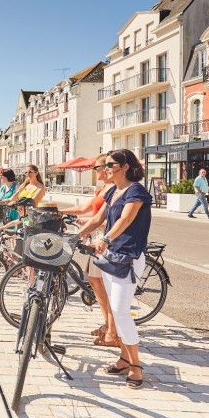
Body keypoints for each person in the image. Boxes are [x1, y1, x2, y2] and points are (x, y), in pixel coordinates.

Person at [79, 149, 152, 389]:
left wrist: (106, 239)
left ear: (125, 166)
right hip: (111, 257)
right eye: (106, 164)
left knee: (120, 311)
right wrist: (75, 236)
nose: (106, 168)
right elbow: (98, 219)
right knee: (115, 308)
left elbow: (126, 220)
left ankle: (136, 366)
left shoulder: (136, 191)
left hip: (128, 257)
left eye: (110, 164)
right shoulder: (112, 191)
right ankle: (124, 358)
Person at [64, 154, 119, 347]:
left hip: (103, 238)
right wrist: (59, 211)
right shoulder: (102, 190)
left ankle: (114, 331)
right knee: (95, 283)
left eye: (96, 168)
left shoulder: (112, 189)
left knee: (104, 286)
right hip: (95, 236)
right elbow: (84, 209)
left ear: (106, 169)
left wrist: (87, 225)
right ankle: (107, 324)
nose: (94, 172)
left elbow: (109, 221)